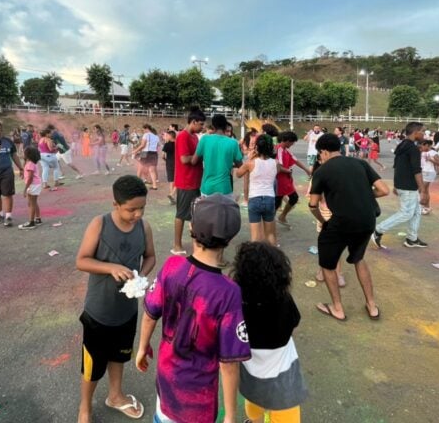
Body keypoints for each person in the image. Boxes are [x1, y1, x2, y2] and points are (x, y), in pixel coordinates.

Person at [136, 194, 250, 423]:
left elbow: (150, 315)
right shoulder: (229, 292)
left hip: (167, 382)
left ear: (191, 228)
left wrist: (142, 347)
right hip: (198, 399)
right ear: (230, 237)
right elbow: (228, 364)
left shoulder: (171, 266)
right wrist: (230, 415)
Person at [75, 175, 156, 423]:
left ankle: (116, 395)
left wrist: (140, 277)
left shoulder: (144, 227)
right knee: (93, 365)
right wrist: (110, 268)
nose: (138, 214)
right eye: (132, 209)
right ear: (116, 204)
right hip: (98, 312)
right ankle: (85, 407)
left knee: (120, 355)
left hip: (127, 311)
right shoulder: (99, 224)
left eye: (142, 208)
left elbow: (150, 257)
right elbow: (82, 260)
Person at [309, 134, 389, 321]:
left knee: (327, 265)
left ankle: (337, 308)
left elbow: (313, 204)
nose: (320, 158)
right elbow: (383, 190)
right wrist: (363, 196)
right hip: (367, 220)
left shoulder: (322, 170)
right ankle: (372, 305)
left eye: (320, 155)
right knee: (359, 259)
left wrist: (323, 221)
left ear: (324, 151)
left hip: (341, 222)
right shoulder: (360, 163)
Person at [232, 241, 307, 423]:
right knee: (286, 414)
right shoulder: (283, 301)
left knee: (253, 402)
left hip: (251, 373)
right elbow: (294, 323)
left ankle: (254, 421)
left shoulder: (236, 306)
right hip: (282, 378)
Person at [371, 122, 427, 249]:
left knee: (416, 211)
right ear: (415, 132)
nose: (424, 134)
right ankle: (378, 230)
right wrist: (423, 190)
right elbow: (416, 170)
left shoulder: (402, 145)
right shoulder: (413, 149)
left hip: (403, 184)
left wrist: (396, 184)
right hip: (408, 186)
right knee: (406, 213)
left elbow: (397, 166)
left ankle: (412, 238)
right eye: (422, 131)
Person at [235, 134, 280, 245]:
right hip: (269, 198)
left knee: (255, 237)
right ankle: (273, 258)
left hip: (254, 199)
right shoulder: (276, 163)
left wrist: (250, 158)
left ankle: (256, 260)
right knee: (270, 234)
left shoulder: (251, 163)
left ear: (257, 147)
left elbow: (238, 174)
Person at [172, 108, 206, 255]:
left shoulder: (194, 137)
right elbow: (184, 159)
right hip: (186, 181)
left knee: (194, 214)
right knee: (181, 214)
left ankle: (195, 243)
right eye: (200, 124)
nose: (202, 127)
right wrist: (197, 157)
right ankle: (177, 245)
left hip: (195, 181)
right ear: (193, 122)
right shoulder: (183, 137)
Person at [192, 114, 243, 200]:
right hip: (225, 188)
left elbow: (194, 161)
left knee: (207, 213)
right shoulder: (233, 143)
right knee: (223, 213)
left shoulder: (205, 139)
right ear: (226, 126)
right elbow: (240, 165)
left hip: (207, 188)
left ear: (213, 126)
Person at [275, 131, 311, 228]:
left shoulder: (286, 150)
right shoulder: (279, 150)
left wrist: (307, 169)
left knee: (290, 198)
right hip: (280, 179)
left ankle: (280, 217)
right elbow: (278, 167)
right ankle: (270, 221)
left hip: (286, 179)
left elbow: (296, 160)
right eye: (292, 142)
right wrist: (288, 170)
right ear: (286, 141)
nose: (293, 144)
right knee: (278, 201)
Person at [19, 147, 42, 230]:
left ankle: (31, 222)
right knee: (34, 202)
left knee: (31, 203)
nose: (22, 154)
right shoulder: (31, 163)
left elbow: (30, 177)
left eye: (24, 153)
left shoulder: (29, 164)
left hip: (32, 185)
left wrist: (25, 189)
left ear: (27, 155)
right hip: (35, 184)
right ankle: (38, 218)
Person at [419, 140, 439, 215]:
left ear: (428, 145)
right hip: (423, 171)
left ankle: (423, 206)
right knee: (425, 190)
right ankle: (427, 207)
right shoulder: (422, 152)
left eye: (423, 145)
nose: (421, 147)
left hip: (430, 172)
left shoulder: (433, 153)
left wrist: (431, 160)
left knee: (422, 189)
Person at [162, 130, 176, 204]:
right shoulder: (178, 144)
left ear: (171, 136)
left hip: (169, 163)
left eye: (167, 135)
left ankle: (172, 196)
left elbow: (163, 156)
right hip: (177, 163)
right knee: (178, 179)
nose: (166, 137)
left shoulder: (166, 144)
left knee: (171, 181)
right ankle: (172, 194)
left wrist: (166, 160)